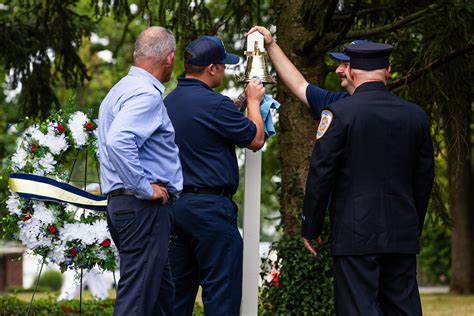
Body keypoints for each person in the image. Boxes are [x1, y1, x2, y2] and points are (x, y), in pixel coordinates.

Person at [301, 42, 435, 315]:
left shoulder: (339, 114)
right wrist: (413, 224)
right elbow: (424, 180)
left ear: (350, 71)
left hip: (354, 235)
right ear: (388, 70)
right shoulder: (416, 116)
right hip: (401, 234)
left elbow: (321, 174)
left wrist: (311, 227)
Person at [164, 35, 265, 315]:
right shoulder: (214, 104)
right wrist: (254, 101)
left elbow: (211, 121)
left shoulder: (169, 102)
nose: (224, 69)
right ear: (211, 68)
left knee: (176, 296)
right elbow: (255, 139)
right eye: (222, 65)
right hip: (210, 209)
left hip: (177, 208)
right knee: (222, 293)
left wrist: (241, 101)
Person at [98, 26, 182, 316]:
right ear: (170, 58)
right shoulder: (146, 94)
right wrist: (145, 188)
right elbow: (119, 140)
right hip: (142, 207)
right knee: (137, 301)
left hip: (124, 206)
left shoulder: (120, 90)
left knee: (161, 296)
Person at [246, 26, 369, 118]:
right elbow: (300, 85)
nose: (338, 70)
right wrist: (271, 45)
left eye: (346, 65)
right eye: (340, 65)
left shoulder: (385, 108)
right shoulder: (336, 102)